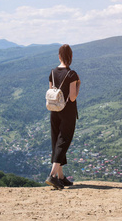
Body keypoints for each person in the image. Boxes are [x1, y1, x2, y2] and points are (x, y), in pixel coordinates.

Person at [45, 44, 81, 190]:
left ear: (59, 56)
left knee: (56, 140)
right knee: (64, 140)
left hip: (54, 110)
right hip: (67, 111)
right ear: (70, 57)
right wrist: (78, 85)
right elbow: (72, 97)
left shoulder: (52, 72)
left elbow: (51, 91)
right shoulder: (72, 74)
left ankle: (61, 177)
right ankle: (53, 175)